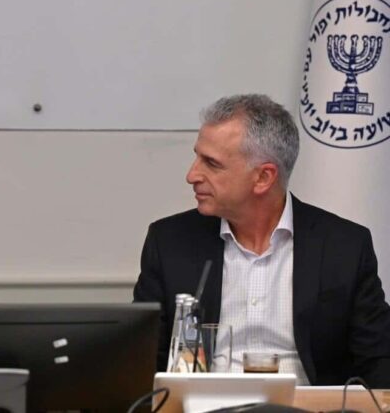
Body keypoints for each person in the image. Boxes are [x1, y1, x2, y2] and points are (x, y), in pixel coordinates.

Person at [133, 94, 390, 386]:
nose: (192, 175)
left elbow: (378, 360)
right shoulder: (169, 242)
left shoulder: (344, 247)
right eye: (197, 157)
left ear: (264, 178)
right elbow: (141, 361)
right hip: (202, 404)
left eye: (211, 164)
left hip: (310, 405)